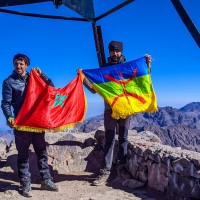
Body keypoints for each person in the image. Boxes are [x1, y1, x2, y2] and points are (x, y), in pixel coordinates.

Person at [80, 41, 151, 186]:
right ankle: (105, 171)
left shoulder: (128, 67)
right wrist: (83, 79)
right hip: (110, 110)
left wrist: (147, 65)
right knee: (110, 138)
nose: (115, 54)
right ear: (109, 52)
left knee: (124, 138)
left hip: (125, 109)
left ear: (121, 52)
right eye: (112, 51)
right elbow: (94, 90)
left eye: (117, 51)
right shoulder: (104, 70)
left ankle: (122, 168)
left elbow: (140, 80)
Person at [1, 53, 59, 197]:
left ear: (27, 65)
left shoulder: (35, 78)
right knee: (23, 154)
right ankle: (25, 183)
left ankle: (46, 180)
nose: (18, 66)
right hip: (22, 123)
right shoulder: (9, 82)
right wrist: (9, 116)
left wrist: (42, 75)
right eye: (16, 63)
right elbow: (5, 103)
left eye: (21, 63)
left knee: (41, 152)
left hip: (37, 121)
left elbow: (51, 88)